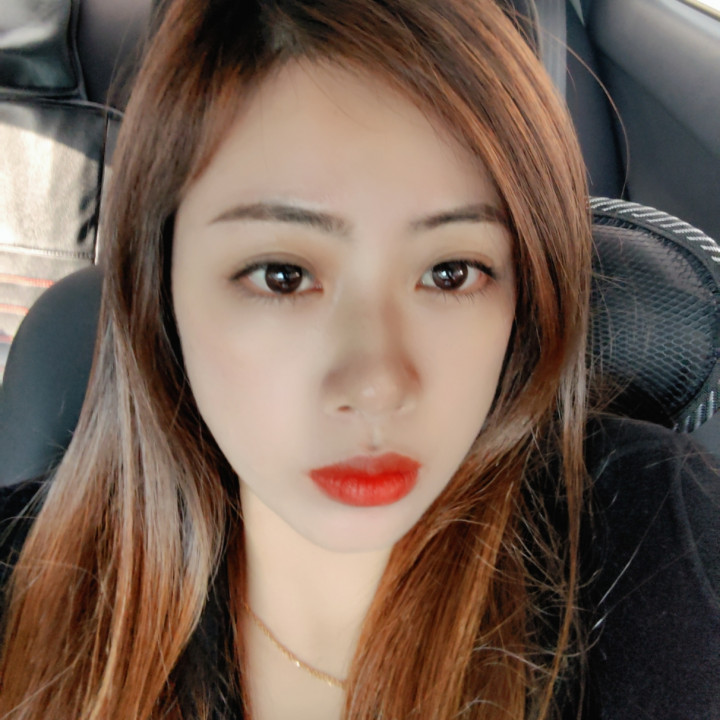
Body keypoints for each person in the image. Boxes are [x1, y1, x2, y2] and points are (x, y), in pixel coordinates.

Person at [0, 0, 718, 718]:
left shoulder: (655, 543)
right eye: (283, 276)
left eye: (451, 274)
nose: (377, 385)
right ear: (160, 285)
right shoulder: (16, 584)